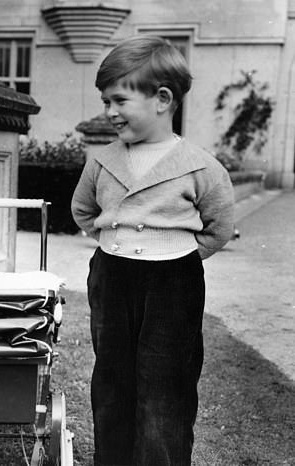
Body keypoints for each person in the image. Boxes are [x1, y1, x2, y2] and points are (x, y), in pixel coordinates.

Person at [71, 35, 234, 466]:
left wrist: (173, 253)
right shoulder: (102, 160)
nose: (109, 111)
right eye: (106, 101)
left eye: (119, 100)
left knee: (167, 386)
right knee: (112, 380)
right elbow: (84, 211)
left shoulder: (201, 165)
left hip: (172, 283)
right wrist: (119, 244)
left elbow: (219, 227)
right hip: (112, 275)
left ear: (162, 99)